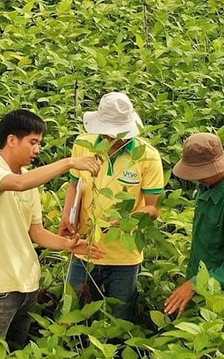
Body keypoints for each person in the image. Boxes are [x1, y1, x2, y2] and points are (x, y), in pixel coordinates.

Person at [0, 109, 104, 355]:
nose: (37, 150)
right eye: (33, 142)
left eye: (39, 143)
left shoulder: (29, 179)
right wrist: (70, 162)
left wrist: (68, 245)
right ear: (11, 140)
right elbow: (18, 185)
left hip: (28, 283)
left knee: (16, 352)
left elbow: (36, 232)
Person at [59, 91, 164, 321]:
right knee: (75, 314)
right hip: (84, 248)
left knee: (120, 318)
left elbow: (154, 208)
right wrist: (67, 214)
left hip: (124, 256)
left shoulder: (147, 157)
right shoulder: (83, 144)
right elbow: (74, 184)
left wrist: (128, 220)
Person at [163, 132, 224, 316]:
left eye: (199, 173)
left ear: (215, 168)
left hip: (223, 297)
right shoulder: (211, 182)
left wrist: (195, 283)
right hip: (201, 280)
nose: (196, 178)